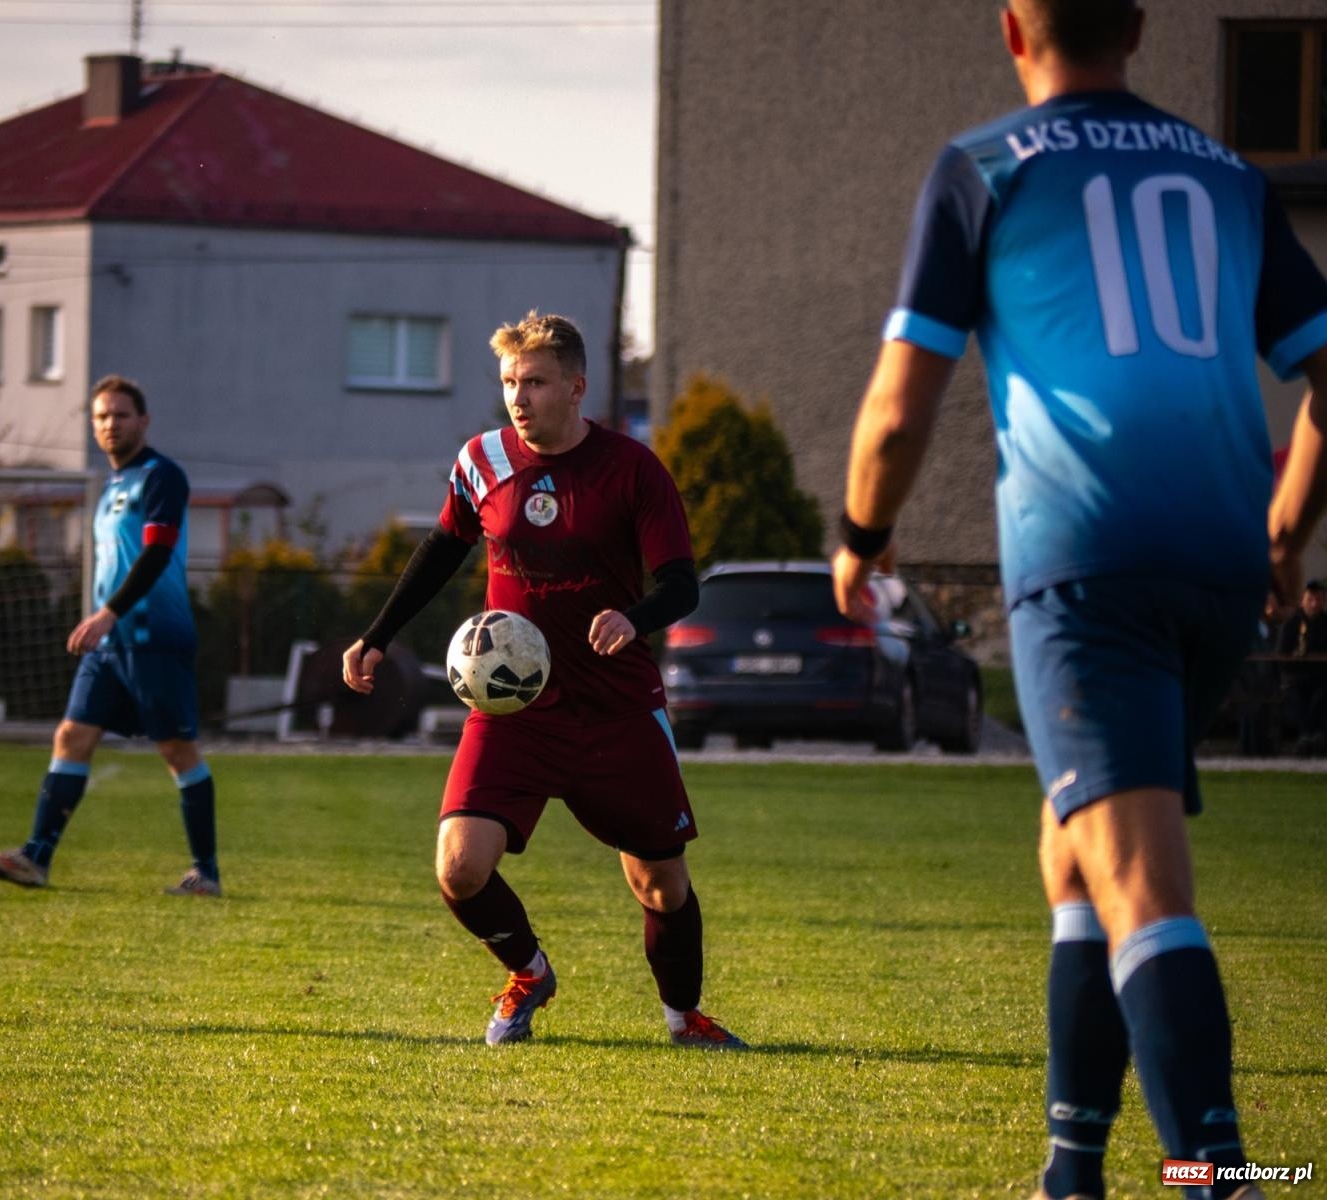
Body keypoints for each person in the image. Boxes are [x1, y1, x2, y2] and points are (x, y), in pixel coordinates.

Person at [830, 4, 1327, 1199]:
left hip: (1088, 567)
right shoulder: (1226, 174)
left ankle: (1217, 1173)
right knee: (1071, 855)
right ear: (1140, 27)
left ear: (1011, 29)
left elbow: (898, 411)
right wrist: (1285, 534)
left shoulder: (984, 168)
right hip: (1216, 568)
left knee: (1139, 880)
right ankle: (1070, 1171)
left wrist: (858, 539)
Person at [341, 311, 745, 1050]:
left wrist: (634, 615)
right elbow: (441, 549)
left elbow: (682, 585)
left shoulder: (632, 469)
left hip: (615, 706)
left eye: (534, 382)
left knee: (660, 885)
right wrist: (378, 634)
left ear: (576, 388)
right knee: (460, 867)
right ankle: (528, 973)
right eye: (508, 382)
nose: (517, 398)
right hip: (513, 707)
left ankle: (685, 1018)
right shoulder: (482, 460)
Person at [0, 375, 222, 896]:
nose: (111, 424)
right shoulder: (107, 489)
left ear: (143, 421)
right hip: (109, 646)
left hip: (154, 638)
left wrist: (108, 611)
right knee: (72, 736)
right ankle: (36, 856)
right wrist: (105, 622)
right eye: (102, 417)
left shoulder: (162, 476)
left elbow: (155, 554)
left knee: (177, 752)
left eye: (121, 415)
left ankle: (206, 873)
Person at [1275, 578, 1327, 754]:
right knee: (1295, 696)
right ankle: (1310, 735)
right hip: (1295, 678)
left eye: (1318, 599)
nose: (1314, 604)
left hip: (1321, 677)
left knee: (1321, 695)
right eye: (1310, 599)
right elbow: (1281, 654)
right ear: (1302, 600)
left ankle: (1308, 736)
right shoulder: (1291, 625)